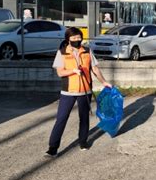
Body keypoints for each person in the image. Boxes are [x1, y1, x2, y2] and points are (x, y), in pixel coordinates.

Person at [45, 27, 112, 157]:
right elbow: (60, 72)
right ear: (68, 39)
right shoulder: (62, 52)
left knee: (84, 118)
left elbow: (95, 69)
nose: (77, 40)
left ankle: (83, 142)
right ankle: (53, 147)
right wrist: (73, 71)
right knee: (61, 118)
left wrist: (104, 82)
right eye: (74, 37)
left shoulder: (87, 51)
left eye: (79, 37)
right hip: (68, 91)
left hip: (85, 90)